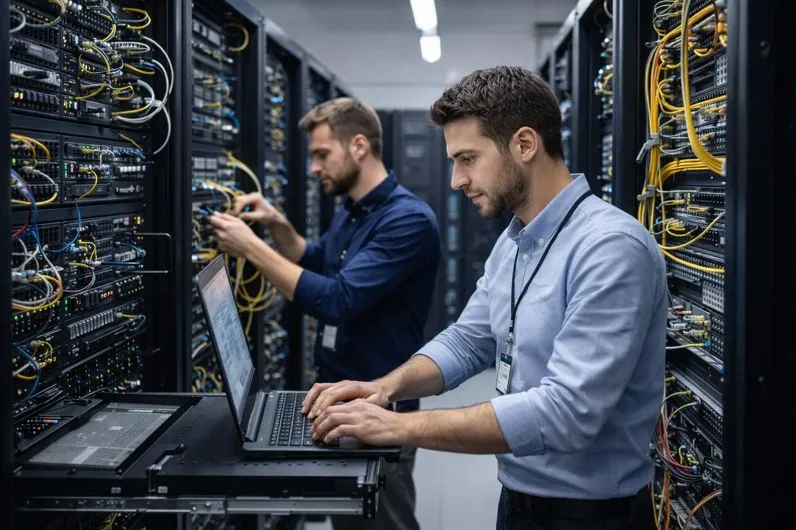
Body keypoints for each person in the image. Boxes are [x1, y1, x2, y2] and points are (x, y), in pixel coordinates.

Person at [301, 67, 667, 530]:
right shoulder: (515, 240)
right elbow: (469, 340)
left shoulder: (610, 248)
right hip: (519, 501)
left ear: (525, 144)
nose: (456, 180)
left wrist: (398, 427)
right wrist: (385, 388)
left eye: (468, 158)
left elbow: (566, 414)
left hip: (591, 516)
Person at [209, 97, 439, 530]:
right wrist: (276, 224)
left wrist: (250, 248)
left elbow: (338, 299)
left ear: (358, 146)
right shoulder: (353, 211)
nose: (313, 168)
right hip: (337, 401)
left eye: (321, 154)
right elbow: (316, 261)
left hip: (379, 406)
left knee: (384, 522)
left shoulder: (408, 221)